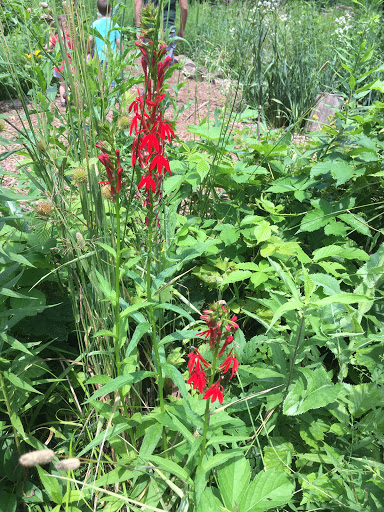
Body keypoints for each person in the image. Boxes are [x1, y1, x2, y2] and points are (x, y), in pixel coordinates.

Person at [89, 0, 122, 73]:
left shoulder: (94, 24)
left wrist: (89, 50)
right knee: (110, 78)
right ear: (110, 9)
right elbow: (119, 41)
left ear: (98, 11)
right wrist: (122, 54)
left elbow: (90, 39)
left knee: (99, 78)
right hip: (111, 57)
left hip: (98, 57)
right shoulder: (115, 24)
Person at [46, 15, 72, 107]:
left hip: (58, 66)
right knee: (70, 82)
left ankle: (62, 100)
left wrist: (50, 34)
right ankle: (69, 98)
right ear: (65, 27)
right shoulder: (70, 38)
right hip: (69, 65)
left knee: (62, 84)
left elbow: (46, 48)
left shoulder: (55, 37)